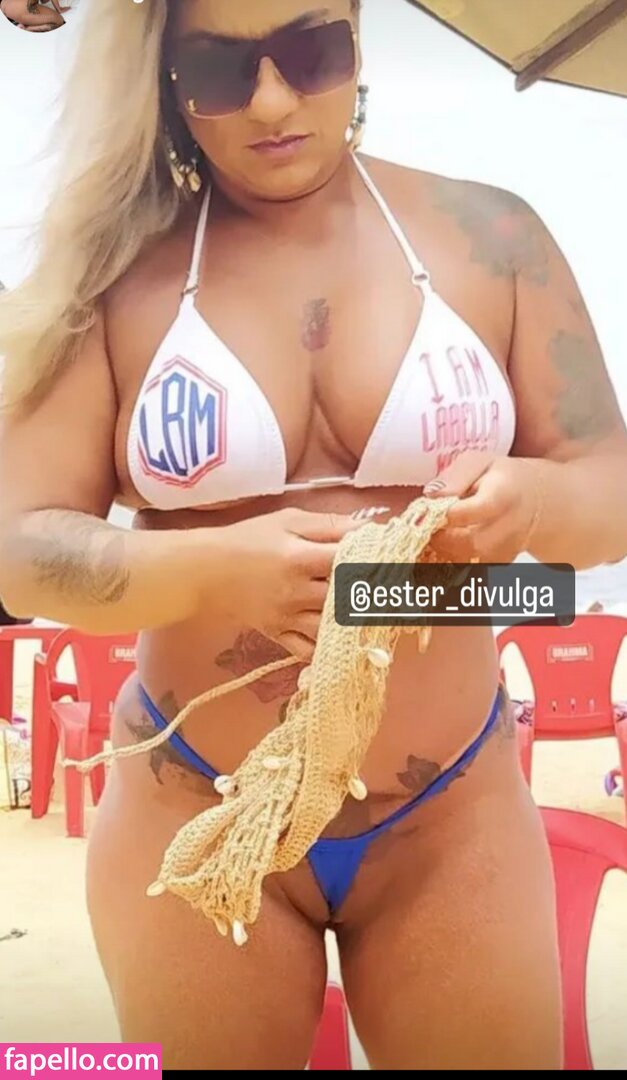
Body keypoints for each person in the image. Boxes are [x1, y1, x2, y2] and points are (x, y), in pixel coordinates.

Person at [1, 0, 626, 1069]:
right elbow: (19, 551)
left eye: (309, 50)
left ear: (358, 37)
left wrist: (528, 503)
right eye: (221, 68)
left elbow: (608, 494)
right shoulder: (112, 275)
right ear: (166, 78)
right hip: (196, 807)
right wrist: (207, 569)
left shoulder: (494, 239)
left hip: (449, 812)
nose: (272, 101)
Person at [0, 0, 66, 31]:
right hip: (21, 7)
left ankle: (21, 24)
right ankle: (26, 28)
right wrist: (59, 9)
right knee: (59, 20)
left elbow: (43, 1)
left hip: (5, 5)